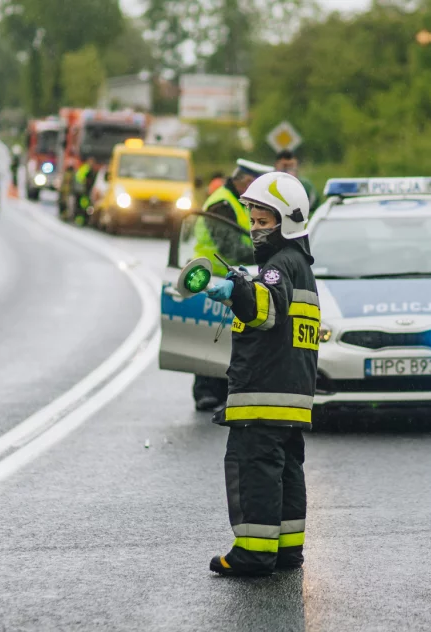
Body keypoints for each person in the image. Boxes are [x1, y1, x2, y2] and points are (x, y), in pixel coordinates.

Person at [204, 171, 319, 577]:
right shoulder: (300, 265)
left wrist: (237, 291)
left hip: (262, 396)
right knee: (286, 473)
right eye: (252, 220)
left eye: (263, 221)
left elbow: (267, 311)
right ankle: (287, 550)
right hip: (291, 398)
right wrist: (246, 282)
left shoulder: (278, 266)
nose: (255, 229)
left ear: (286, 221)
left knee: (254, 471)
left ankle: (253, 554)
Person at [192, 159, 272, 412]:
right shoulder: (222, 203)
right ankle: (206, 390)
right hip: (213, 279)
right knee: (210, 338)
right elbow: (229, 246)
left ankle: (222, 389)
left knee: (227, 338)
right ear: (246, 181)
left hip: (231, 278)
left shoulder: (235, 201)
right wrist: (264, 253)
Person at [73, 156, 99, 225]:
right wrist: (85, 182)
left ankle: (83, 220)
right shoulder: (86, 168)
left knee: (85, 207)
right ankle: (80, 220)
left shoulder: (89, 169)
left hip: (85, 191)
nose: (92, 164)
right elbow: (79, 178)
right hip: (82, 192)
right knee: (82, 207)